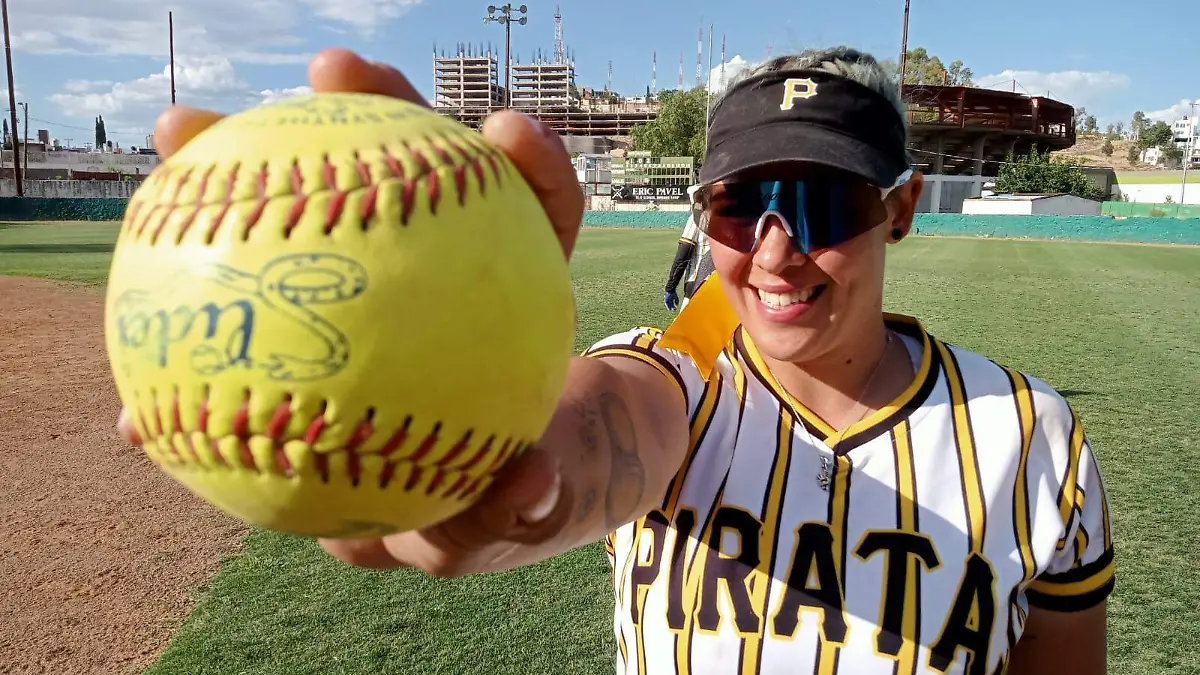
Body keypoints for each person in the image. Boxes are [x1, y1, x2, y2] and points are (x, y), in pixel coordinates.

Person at [119, 46, 1113, 674]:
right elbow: (600, 432)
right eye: (738, 205)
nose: (774, 247)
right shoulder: (680, 373)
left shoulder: (1029, 438)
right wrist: (480, 465)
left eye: (822, 202)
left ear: (899, 207)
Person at [663, 185, 714, 312]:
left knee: (686, 330)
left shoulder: (696, 219)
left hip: (697, 282)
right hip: (722, 283)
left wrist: (670, 287)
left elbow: (683, 254)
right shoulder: (727, 218)